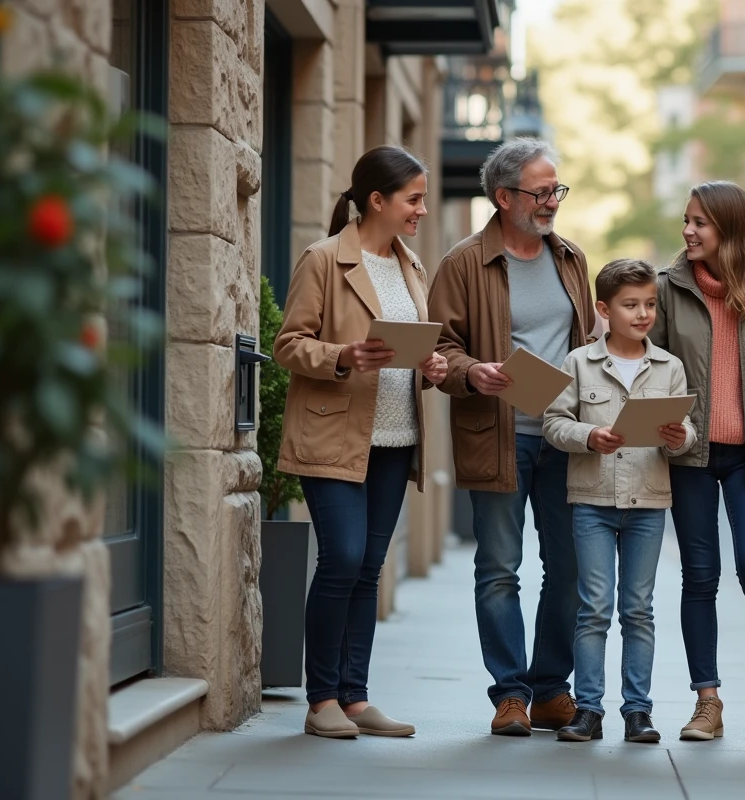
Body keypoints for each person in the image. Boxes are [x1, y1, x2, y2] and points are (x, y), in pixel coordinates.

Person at [274, 145, 449, 739]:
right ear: (377, 200)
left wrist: (432, 366)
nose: (421, 210)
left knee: (369, 567)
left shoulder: (411, 265)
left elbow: (415, 347)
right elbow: (288, 344)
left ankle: (355, 697)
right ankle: (321, 699)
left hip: (396, 438)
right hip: (334, 435)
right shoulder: (323, 259)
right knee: (343, 559)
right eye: (413, 200)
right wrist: (344, 355)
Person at [428, 138, 594, 736]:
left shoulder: (571, 258)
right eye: (541, 192)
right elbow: (439, 348)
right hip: (498, 434)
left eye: (557, 190)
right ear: (504, 197)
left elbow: (586, 343)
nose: (553, 201)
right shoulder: (463, 264)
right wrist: (474, 371)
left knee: (569, 568)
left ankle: (550, 689)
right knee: (499, 567)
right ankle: (510, 694)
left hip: (563, 437)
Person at [649, 181, 745, 745]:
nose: (687, 231)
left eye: (700, 222)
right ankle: (707, 703)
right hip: (688, 453)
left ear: (729, 229)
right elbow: (651, 366)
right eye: (687, 220)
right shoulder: (666, 289)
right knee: (700, 575)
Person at [543, 259, 697, 744]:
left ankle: (638, 711)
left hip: (648, 503)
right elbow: (553, 423)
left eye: (650, 303)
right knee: (593, 608)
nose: (643, 313)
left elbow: (686, 432)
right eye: (631, 305)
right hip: (591, 501)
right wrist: (589, 436)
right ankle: (588, 709)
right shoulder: (578, 362)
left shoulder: (669, 366)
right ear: (604, 310)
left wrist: (679, 437)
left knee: (638, 610)